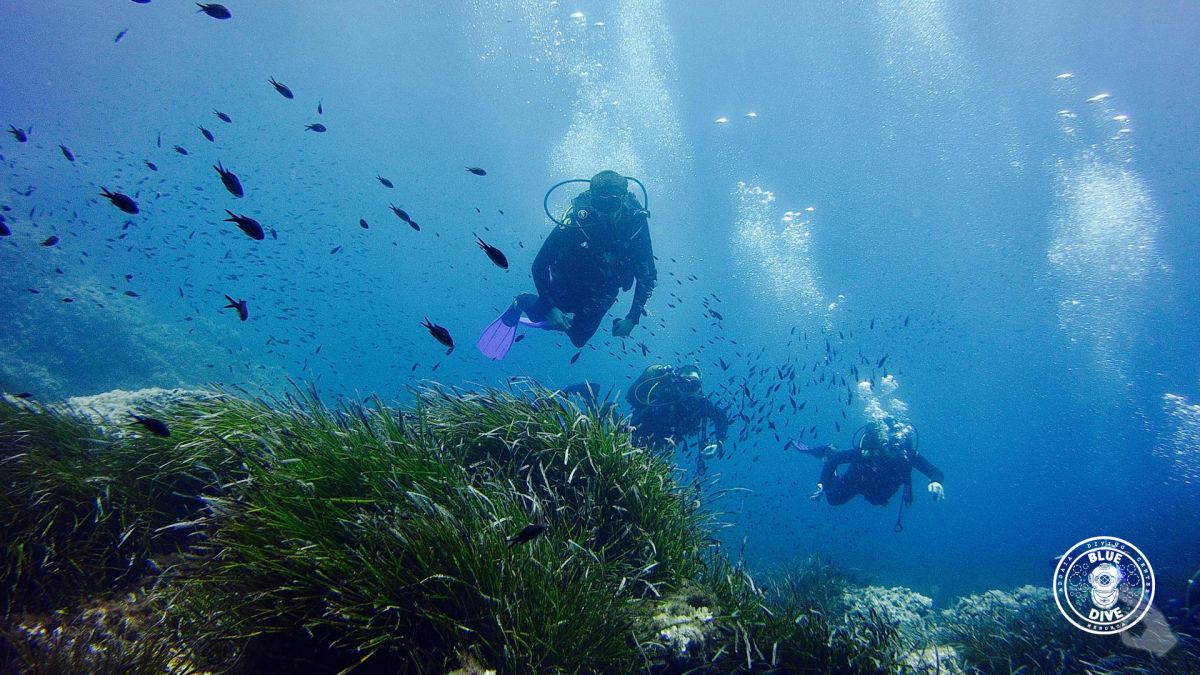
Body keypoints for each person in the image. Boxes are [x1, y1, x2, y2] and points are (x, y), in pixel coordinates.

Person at [477, 171, 656, 358]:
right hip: (569, 282)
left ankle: (555, 321)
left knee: (578, 340)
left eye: (612, 204)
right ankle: (522, 301)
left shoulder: (636, 225)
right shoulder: (578, 220)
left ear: (622, 199)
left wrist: (632, 319)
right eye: (599, 204)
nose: (605, 212)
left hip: (603, 291)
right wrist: (550, 307)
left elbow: (647, 276)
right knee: (538, 314)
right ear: (592, 200)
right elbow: (540, 264)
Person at [789, 416, 944, 531]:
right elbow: (835, 460)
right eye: (889, 449)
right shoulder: (868, 453)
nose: (893, 453)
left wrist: (936, 481)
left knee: (877, 500)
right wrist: (822, 484)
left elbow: (934, 471)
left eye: (897, 449)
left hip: (878, 492)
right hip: (857, 481)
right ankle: (827, 451)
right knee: (832, 499)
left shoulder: (907, 455)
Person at [627, 365, 729, 470]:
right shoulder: (665, 400)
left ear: (699, 387)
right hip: (641, 437)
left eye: (694, 385)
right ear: (677, 385)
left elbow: (721, 417)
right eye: (685, 384)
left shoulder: (702, 405)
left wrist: (719, 441)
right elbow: (635, 421)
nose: (689, 391)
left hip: (662, 445)